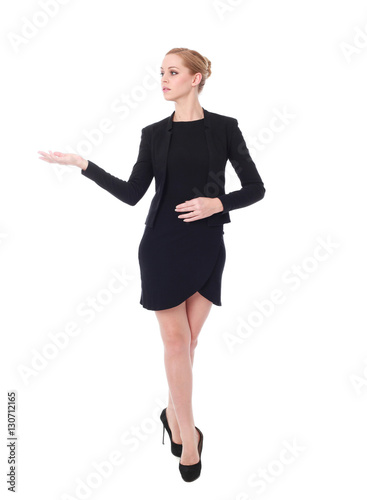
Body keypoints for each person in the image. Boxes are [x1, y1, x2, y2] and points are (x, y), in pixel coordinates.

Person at [38, 47, 266, 482]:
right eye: (161, 72)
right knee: (177, 345)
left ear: (196, 79)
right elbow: (131, 193)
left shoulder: (224, 128)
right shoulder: (154, 133)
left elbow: (255, 188)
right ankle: (190, 438)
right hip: (161, 247)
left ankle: (170, 413)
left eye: (173, 72)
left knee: (191, 345)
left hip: (206, 246)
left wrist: (217, 202)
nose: (163, 78)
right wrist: (84, 164)